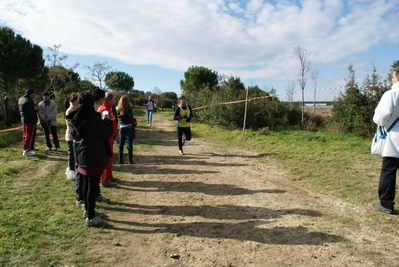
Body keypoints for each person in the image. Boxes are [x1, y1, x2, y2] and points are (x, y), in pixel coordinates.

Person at [69, 91, 113, 227]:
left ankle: (88, 211)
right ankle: (91, 217)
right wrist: (106, 120)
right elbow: (105, 133)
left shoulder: (76, 116)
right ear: (91, 102)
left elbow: (75, 135)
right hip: (93, 156)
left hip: (82, 156)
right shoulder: (93, 118)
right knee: (92, 187)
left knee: (86, 184)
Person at [372, 66, 399, 214]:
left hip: (394, 141)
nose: (391, 81)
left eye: (392, 78)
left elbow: (380, 118)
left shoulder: (391, 94)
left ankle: (386, 203)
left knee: (388, 172)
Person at [97, 92, 118, 187]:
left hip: (110, 137)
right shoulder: (105, 109)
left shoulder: (108, 108)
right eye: (114, 98)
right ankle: (104, 179)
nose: (115, 100)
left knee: (110, 157)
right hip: (107, 138)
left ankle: (109, 176)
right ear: (109, 99)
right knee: (107, 158)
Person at [18, 88, 38, 156]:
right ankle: (27, 150)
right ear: (31, 94)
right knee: (29, 135)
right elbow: (31, 112)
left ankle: (25, 148)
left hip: (23, 120)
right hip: (29, 121)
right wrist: (34, 121)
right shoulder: (29, 100)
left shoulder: (21, 99)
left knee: (25, 135)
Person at [116, 95, 135, 164]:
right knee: (129, 144)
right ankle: (130, 160)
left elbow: (116, 114)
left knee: (121, 144)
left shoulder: (118, 108)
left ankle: (120, 159)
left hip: (122, 127)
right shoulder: (129, 108)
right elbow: (132, 116)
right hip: (129, 127)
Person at [65, 93, 79, 180]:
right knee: (71, 154)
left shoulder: (77, 109)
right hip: (71, 135)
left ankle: (76, 170)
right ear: (74, 100)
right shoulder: (70, 110)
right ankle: (71, 170)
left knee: (76, 153)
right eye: (78, 99)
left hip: (76, 135)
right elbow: (71, 125)